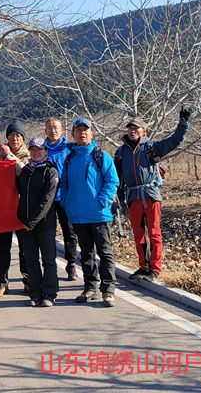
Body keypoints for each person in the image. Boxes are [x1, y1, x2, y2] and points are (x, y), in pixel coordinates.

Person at [114, 110, 190, 281]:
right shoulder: (120, 152)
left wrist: (183, 124)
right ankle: (144, 267)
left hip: (150, 195)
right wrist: (120, 197)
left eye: (136, 128)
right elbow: (118, 178)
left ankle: (155, 269)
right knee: (138, 234)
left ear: (144, 131)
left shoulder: (151, 148)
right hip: (132, 196)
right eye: (130, 128)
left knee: (154, 232)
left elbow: (174, 141)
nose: (132, 131)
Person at [60, 118, 120, 308]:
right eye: (78, 130)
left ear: (91, 133)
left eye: (85, 130)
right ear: (73, 134)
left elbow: (112, 181)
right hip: (78, 216)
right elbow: (64, 183)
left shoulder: (101, 156)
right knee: (86, 254)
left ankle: (108, 290)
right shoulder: (70, 158)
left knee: (105, 252)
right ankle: (90, 288)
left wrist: (102, 201)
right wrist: (67, 202)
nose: (82, 133)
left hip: (99, 214)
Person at [17, 138, 60, 307]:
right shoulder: (25, 171)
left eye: (39, 149)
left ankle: (50, 293)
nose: (36, 152)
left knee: (48, 260)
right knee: (31, 260)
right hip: (26, 224)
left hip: (44, 223)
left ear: (46, 152)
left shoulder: (50, 171)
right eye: (33, 149)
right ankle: (35, 293)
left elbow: (47, 200)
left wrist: (32, 221)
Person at [0, 121, 30, 298]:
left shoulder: (30, 154)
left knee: (25, 248)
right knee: (2, 247)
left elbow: (26, 173)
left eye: (18, 135)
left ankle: (28, 282)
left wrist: (10, 157)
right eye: (11, 135)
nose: (15, 138)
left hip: (23, 208)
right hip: (2, 208)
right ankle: (1, 283)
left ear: (23, 138)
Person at [44, 118, 79, 281]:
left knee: (70, 232)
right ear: (45, 131)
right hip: (47, 199)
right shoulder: (40, 149)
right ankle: (49, 265)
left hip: (65, 196)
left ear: (62, 129)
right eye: (50, 128)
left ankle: (71, 264)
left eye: (56, 127)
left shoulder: (69, 148)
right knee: (47, 233)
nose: (53, 131)